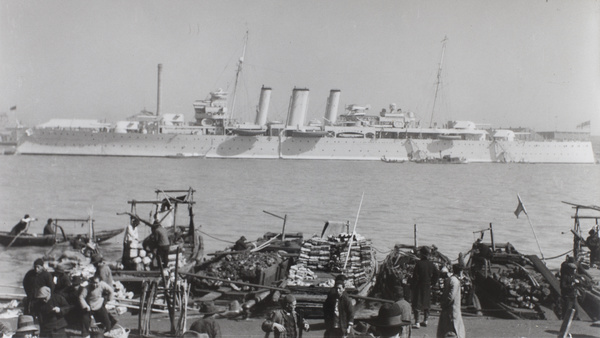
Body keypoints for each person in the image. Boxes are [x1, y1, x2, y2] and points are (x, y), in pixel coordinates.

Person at [410, 246, 439, 329]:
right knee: (427, 303)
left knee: (417, 303)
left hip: (419, 285)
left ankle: (417, 322)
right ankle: (426, 320)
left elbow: (415, 277)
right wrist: (432, 283)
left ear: (422, 254)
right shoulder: (431, 264)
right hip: (427, 285)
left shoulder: (418, 264)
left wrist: (413, 286)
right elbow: (437, 274)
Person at [437, 265, 465, 338]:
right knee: (453, 327)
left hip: (450, 307)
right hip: (452, 308)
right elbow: (451, 296)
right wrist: (446, 303)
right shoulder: (455, 281)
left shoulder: (450, 279)